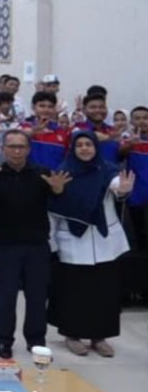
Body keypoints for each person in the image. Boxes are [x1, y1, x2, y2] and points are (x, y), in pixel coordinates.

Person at [0, 130, 66, 358]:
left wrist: (57, 189)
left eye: (21, 147)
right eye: (12, 146)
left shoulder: (43, 174)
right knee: (6, 298)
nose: (16, 151)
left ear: (28, 149)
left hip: (37, 246)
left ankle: (36, 340)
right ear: (3, 149)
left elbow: (57, 200)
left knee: (37, 298)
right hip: (5, 247)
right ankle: (4, 340)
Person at [46, 131, 135, 357]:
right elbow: (53, 211)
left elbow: (116, 184)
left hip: (105, 242)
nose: (85, 148)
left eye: (89, 144)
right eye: (80, 145)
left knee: (104, 292)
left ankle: (99, 337)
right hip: (73, 243)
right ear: (73, 149)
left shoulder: (106, 169)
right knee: (74, 292)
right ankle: (72, 335)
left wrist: (123, 188)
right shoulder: (63, 172)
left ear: (96, 147)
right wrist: (52, 243)